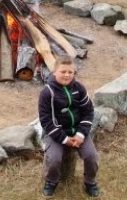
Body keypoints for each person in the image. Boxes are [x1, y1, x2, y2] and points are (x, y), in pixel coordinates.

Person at [39, 56, 100, 198]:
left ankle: (90, 181)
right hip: (56, 133)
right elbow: (46, 120)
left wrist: (80, 134)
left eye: (70, 72)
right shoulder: (47, 92)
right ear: (54, 72)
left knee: (91, 156)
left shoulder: (79, 88)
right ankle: (51, 182)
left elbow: (88, 111)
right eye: (63, 72)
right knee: (54, 159)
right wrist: (64, 139)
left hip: (78, 131)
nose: (67, 75)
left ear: (74, 73)